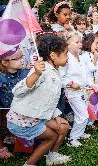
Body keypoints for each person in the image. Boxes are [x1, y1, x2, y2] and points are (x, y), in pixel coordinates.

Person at [6, 34, 70, 165]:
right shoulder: (42, 70)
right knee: (52, 137)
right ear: (53, 55)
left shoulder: (52, 70)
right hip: (23, 120)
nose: (67, 57)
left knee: (63, 126)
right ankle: (29, 164)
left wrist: (56, 115)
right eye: (65, 53)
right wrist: (35, 74)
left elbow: (47, 100)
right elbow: (17, 91)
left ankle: (52, 156)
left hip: (37, 116)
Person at [59, 32, 92, 147]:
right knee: (83, 115)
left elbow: (86, 74)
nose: (80, 44)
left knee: (83, 113)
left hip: (83, 91)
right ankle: (73, 138)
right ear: (68, 44)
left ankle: (80, 132)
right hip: (72, 92)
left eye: (80, 42)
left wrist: (91, 85)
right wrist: (70, 83)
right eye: (77, 42)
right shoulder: (66, 59)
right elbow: (60, 77)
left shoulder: (82, 58)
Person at [0, 49, 30, 159]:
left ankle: (10, 136)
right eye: (17, 58)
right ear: (5, 62)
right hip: (2, 105)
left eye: (22, 57)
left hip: (17, 106)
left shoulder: (25, 72)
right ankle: (1, 148)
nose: (22, 60)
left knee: (11, 121)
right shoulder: (1, 76)